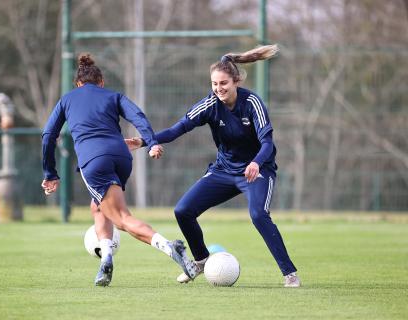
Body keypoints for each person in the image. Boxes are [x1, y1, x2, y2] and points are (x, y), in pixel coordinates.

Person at [127, 44, 301, 288]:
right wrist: (145, 141)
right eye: (214, 84)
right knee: (183, 210)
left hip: (257, 170)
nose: (218, 89)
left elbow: (268, 143)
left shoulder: (252, 103)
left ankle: (290, 274)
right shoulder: (210, 104)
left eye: (223, 84)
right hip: (224, 170)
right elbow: (178, 129)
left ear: (236, 81)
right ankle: (200, 261)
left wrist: (256, 163)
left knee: (258, 215)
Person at [41, 53, 196, 287]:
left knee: (122, 218)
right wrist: (151, 142)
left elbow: (48, 136)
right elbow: (138, 117)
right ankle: (106, 259)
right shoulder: (114, 96)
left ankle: (168, 247)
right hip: (122, 156)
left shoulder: (67, 99)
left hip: (94, 160)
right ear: (101, 82)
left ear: (78, 84)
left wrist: (50, 173)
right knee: (98, 206)